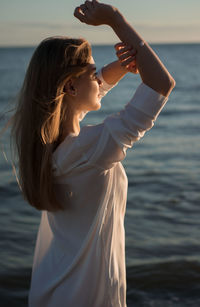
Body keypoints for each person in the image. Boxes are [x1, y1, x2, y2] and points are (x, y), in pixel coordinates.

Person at [10, 0, 175, 306]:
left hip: (56, 292)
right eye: (91, 71)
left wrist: (124, 67)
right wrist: (116, 19)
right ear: (71, 88)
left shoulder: (55, 146)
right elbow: (162, 84)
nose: (98, 77)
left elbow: (94, 86)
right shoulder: (87, 150)